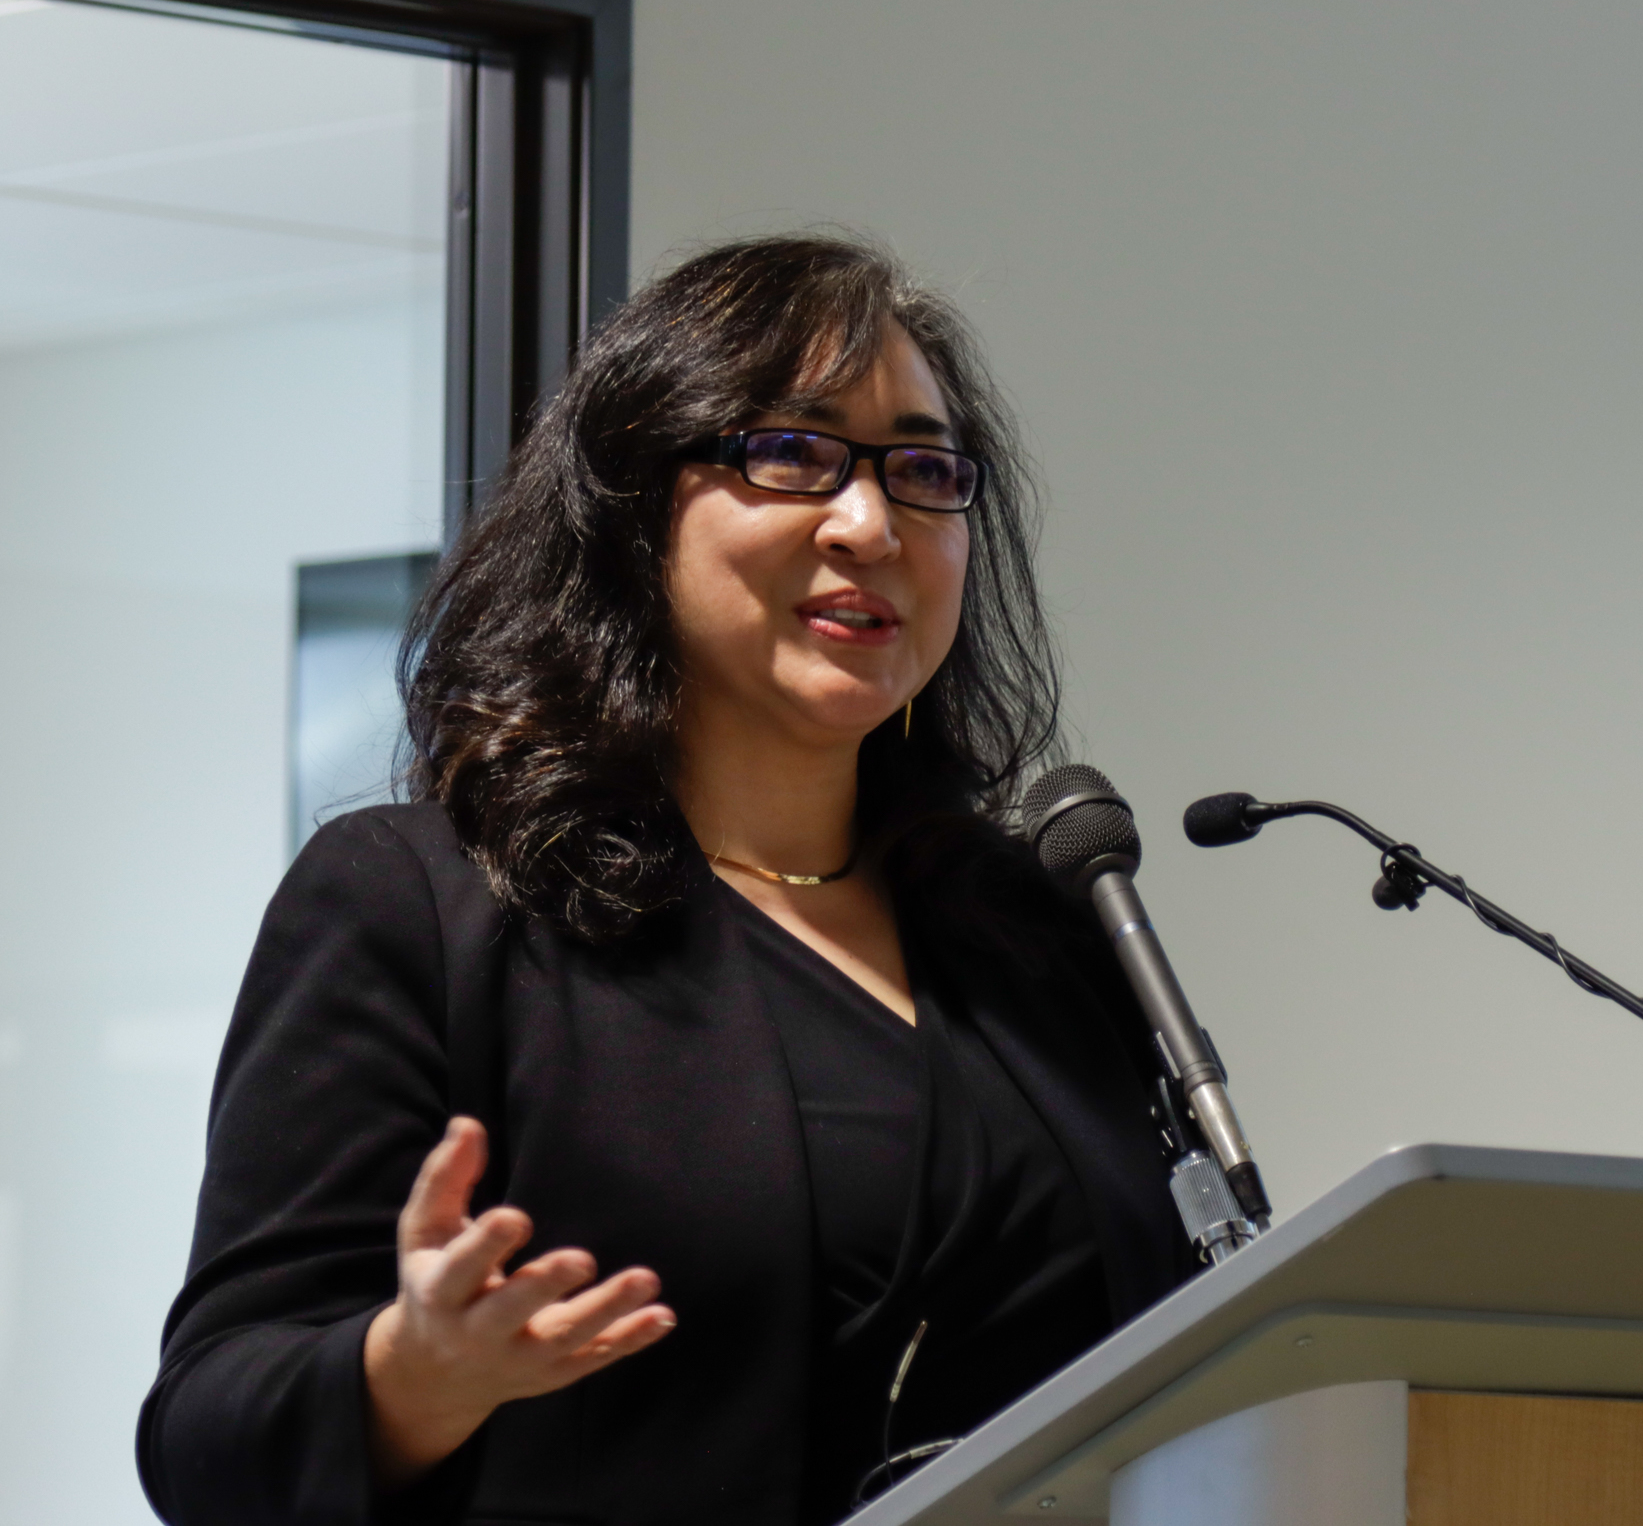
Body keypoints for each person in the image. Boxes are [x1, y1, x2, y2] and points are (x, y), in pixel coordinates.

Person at [137, 235, 1196, 1526]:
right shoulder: (422, 906)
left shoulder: (1032, 927)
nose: (869, 523)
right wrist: (414, 1375)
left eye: (922, 472)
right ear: (634, 508)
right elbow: (206, 1441)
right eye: (792, 454)